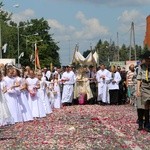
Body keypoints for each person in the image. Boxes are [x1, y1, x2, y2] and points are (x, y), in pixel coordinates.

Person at [136, 51, 150, 132]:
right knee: (146, 105)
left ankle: (148, 123)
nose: (148, 61)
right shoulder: (142, 67)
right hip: (144, 86)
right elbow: (139, 79)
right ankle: (146, 124)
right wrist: (138, 90)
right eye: (147, 60)